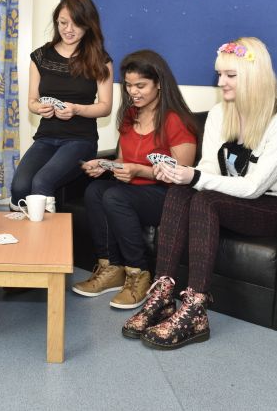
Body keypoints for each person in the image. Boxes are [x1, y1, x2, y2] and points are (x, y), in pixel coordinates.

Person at [123, 37, 277, 350]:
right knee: (180, 192)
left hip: (271, 205)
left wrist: (195, 177)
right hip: (230, 200)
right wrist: (182, 175)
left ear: (254, 77)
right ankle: (163, 295)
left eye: (230, 76)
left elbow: (253, 187)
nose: (221, 82)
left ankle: (194, 309)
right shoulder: (221, 113)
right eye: (220, 74)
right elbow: (208, 167)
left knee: (203, 196)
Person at [72, 50, 197, 309]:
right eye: (129, 86)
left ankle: (139, 274)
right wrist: (105, 165)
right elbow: (123, 159)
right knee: (95, 190)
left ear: (159, 83)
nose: (133, 92)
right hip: (134, 190)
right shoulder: (130, 115)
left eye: (141, 86)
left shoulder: (177, 120)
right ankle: (111, 268)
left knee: (115, 196)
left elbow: (182, 173)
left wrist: (139, 171)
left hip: (167, 194)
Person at [10, 0, 113, 213]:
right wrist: (39, 108)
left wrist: (77, 109)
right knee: (19, 187)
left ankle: (48, 244)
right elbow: (31, 101)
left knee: (42, 182)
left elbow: (105, 107)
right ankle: (24, 242)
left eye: (75, 24)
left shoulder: (100, 60)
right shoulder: (40, 56)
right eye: (63, 23)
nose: (68, 29)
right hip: (46, 138)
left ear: (88, 25)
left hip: (80, 140)